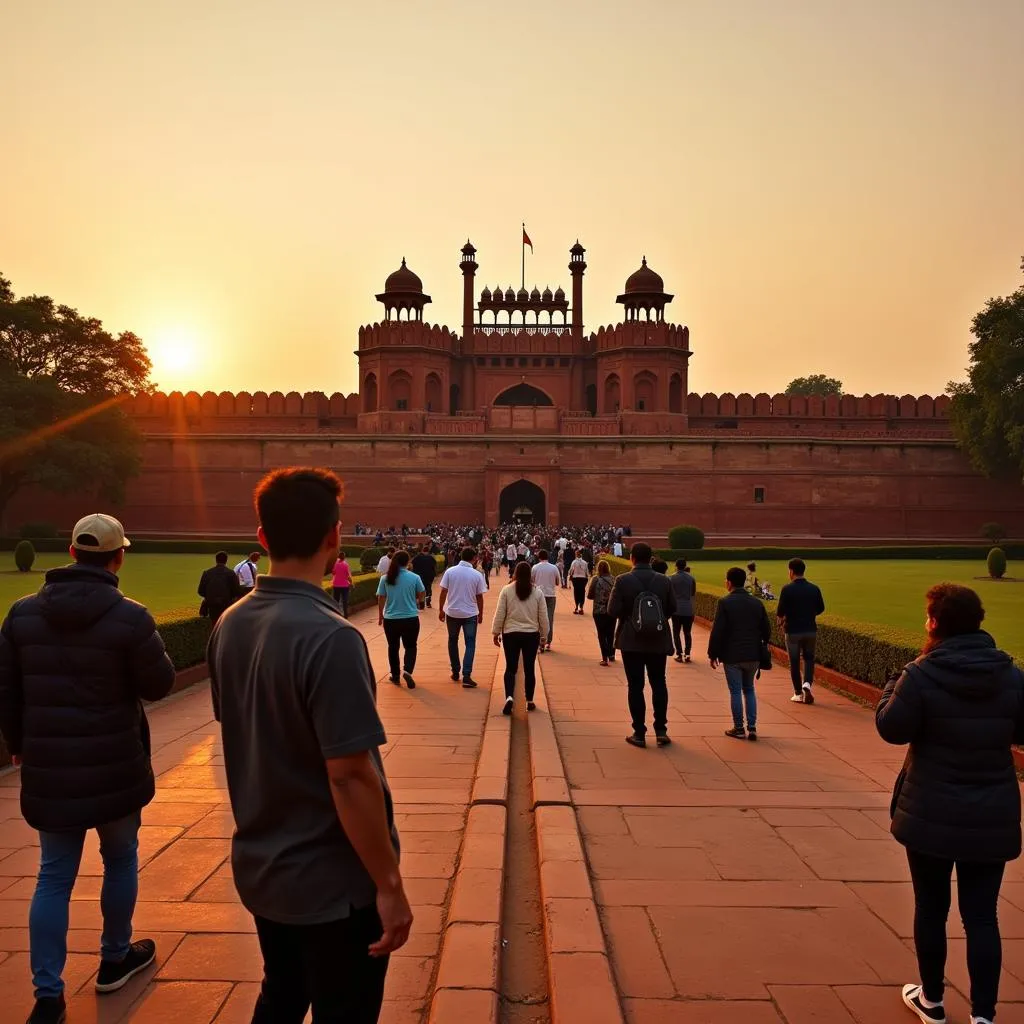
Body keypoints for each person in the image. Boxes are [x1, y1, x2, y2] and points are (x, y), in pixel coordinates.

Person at [208, 468, 412, 1023]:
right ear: (335, 537)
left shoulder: (229, 624)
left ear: (263, 538)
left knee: (281, 995)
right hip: (334, 885)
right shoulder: (332, 637)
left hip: (264, 867)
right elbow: (350, 775)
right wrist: (389, 884)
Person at [0, 513, 176, 1024]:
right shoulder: (131, 617)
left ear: (72, 554)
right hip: (115, 765)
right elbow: (160, 685)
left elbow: (6, 691)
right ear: (118, 556)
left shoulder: (22, 614)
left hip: (50, 766)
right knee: (120, 859)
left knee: (53, 876)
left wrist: (18, 744)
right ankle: (114, 959)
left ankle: (48, 995)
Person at [876, 584, 1024, 1024]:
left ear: (936, 623)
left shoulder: (921, 673)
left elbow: (891, 727)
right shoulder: (1011, 675)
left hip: (931, 809)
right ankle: (984, 1016)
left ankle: (933, 1001)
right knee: (982, 917)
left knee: (931, 908)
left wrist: (892, 684)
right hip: (990, 810)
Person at [607, 542, 676, 748]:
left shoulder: (623, 580)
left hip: (632, 641)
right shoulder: (664, 581)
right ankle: (661, 730)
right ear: (650, 558)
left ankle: (639, 732)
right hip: (657, 639)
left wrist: (632, 618)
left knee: (635, 686)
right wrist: (654, 621)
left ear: (632, 558)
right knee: (659, 683)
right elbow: (672, 608)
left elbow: (612, 610)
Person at [708, 567, 771, 742]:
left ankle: (738, 727)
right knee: (749, 689)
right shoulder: (756, 603)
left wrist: (712, 653)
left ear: (729, 582)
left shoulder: (725, 603)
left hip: (732, 655)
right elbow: (766, 630)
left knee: (735, 691)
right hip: (752, 654)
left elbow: (718, 631)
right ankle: (752, 727)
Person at [491, 562, 549, 716]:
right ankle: (529, 700)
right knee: (530, 668)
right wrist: (544, 635)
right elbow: (543, 616)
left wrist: (495, 632)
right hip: (531, 634)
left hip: (511, 633)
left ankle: (509, 696)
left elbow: (500, 613)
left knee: (511, 668)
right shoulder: (537, 592)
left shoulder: (507, 590)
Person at [776, 557, 826, 705]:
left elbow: (780, 611)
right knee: (809, 659)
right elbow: (821, 608)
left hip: (792, 631)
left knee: (794, 661)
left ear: (791, 571)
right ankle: (807, 684)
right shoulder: (814, 588)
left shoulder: (787, 589)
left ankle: (798, 693)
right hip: (810, 629)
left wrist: (783, 620)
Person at [438, 547, 488, 689]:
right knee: (470, 643)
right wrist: (481, 613)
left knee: (452, 641)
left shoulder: (450, 571)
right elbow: (479, 596)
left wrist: (441, 609)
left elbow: (443, 592)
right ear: (473, 558)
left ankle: (455, 671)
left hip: (452, 612)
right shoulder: (477, 574)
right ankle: (466, 675)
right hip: (470, 613)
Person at [376, 550, 424, 689]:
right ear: (407, 562)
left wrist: (381, 616)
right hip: (410, 618)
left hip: (391, 619)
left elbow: (381, 598)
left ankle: (395, 675)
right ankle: (407, 670)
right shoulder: (414, 577)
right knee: (410, 646)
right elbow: (422, 592)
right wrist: (420, 602)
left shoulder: (385, 578)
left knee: (393, 647)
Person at [199, 550, 243, 623]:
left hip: (212, 606)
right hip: (226, 605)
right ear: (226, 560)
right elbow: (237, 591)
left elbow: (200, 591)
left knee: (214, 625)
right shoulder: (231, 573)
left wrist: (210, 596)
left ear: (216, 560)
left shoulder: (207, 573)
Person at [587, 559, 616, 666]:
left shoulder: (596, 579)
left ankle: (604, 657)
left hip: (599, 610)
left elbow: (589, 595)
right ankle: (612, 654)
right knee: (611, 632)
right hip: (612, 610)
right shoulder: (614, 579)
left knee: (601, 634)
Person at [531, 550, 561, 650]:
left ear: (539, 557)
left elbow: (531, 581)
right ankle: (548, 641)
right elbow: (557, 582)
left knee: (538, 618)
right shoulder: (554, 567)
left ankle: (540, 640)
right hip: (551, 595)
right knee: (549, 618)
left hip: (538, 594)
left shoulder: (535, 567)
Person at [669, 559, 697, 663]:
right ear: (685, 566)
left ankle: (679, 654)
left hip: (676, 609)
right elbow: (693, 593)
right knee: (687, 632)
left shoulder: (671, 578)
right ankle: (688, 653)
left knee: (676, 632)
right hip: (688, 609)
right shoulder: (691, 578)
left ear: (676, 566)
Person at [410, 543, 437, 609]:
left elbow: (412, 565)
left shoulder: (417, 557)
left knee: (419, 589)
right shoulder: (431, 558)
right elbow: (435, 566)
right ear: (428, 551)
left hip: (419, 576)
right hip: (429, 576)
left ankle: (420, 603)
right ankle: (428, 603)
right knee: (428, 588)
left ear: (422, 550)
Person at [568, 549, 590, 614]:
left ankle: (576, 607)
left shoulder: (574, 562)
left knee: (576, 593)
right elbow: (587, 572)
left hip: (576, 579)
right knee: (582, 593)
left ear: (576, 555)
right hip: (583, 579)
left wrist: (570, 575)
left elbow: (571, 571)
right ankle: (581, 607)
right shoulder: (585, 562)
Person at [331, 552, 353, 617]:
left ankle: (336, 614)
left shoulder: (335, 564)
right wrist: (351, 583)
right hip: (345, 585)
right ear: (344, 557)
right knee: (345, 601)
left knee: (336, 601)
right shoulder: (345, 565)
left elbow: (333, 572)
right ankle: (345, 615)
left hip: (336, 585)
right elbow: (348, 576)